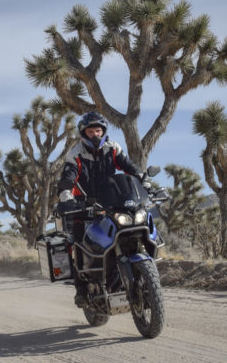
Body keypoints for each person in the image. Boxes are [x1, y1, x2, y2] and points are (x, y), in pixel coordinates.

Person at [57, 111, 142, 307]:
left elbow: (127, 166)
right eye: (90, 131)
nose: (95, 134)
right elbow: (68, 178)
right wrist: (66, 197)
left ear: (103, 131)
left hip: (111, 203)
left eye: (98, 130)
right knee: (77, 243)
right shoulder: (75, 154)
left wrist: (142, 178)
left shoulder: (113, 148)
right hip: (83, 207)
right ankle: (81, 290)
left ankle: (136, 274)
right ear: (83, 133)